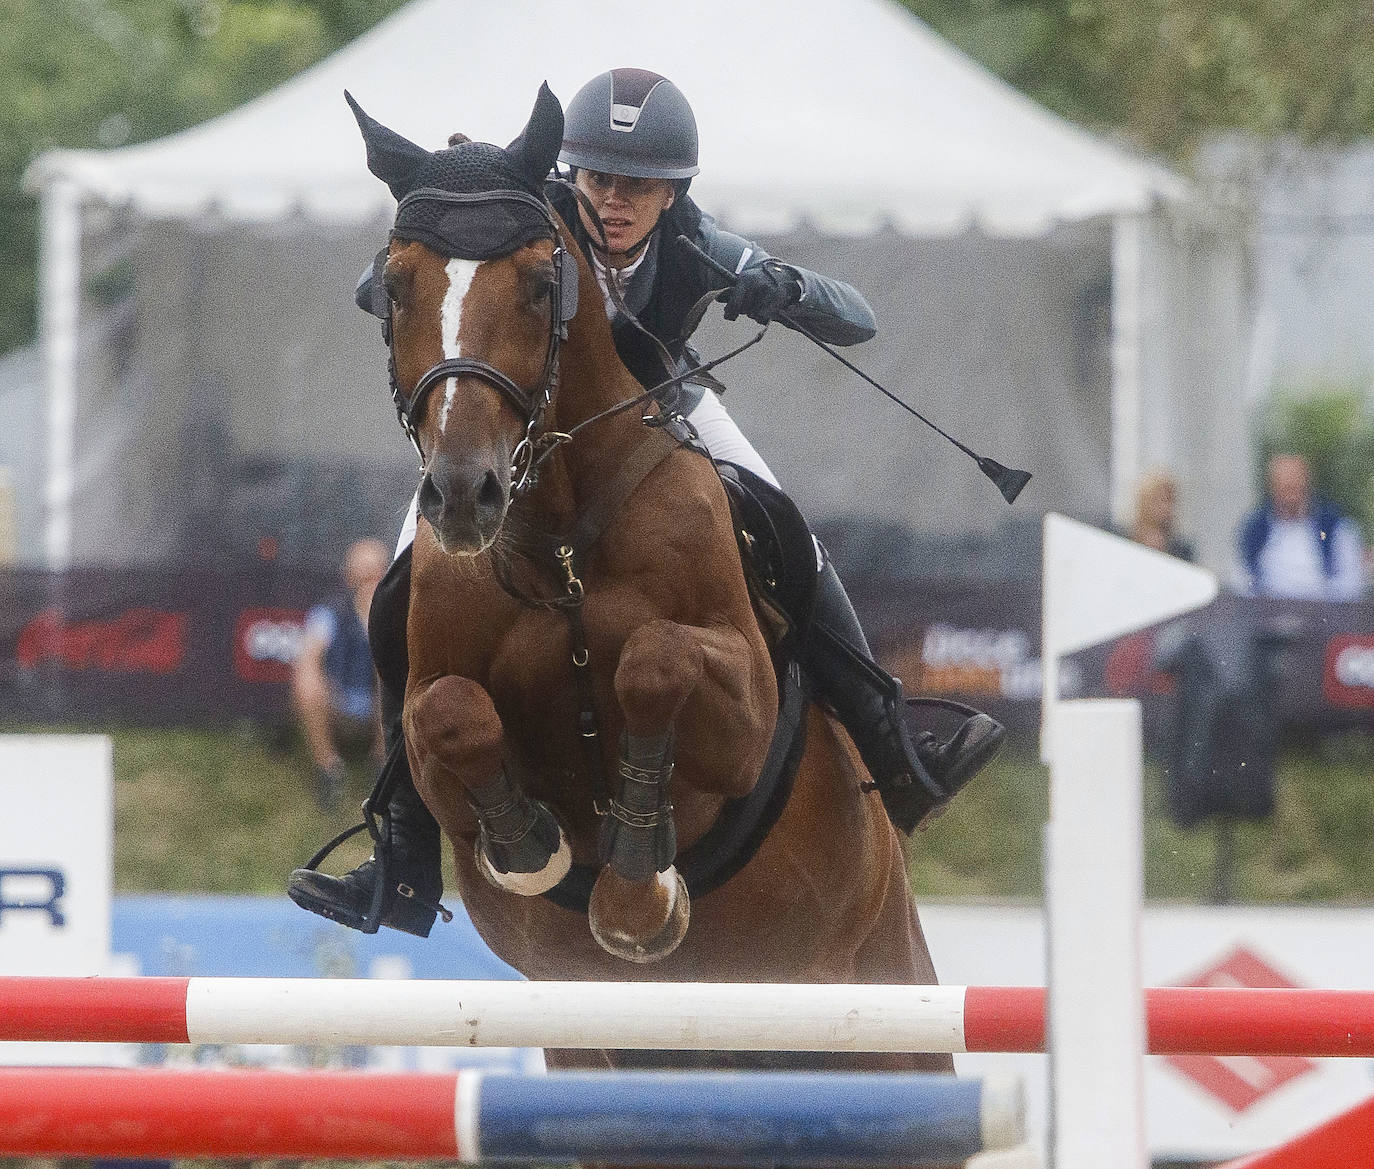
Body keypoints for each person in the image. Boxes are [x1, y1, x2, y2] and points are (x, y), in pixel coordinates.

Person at [289, 69, 1005, 937]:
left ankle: (891, 739)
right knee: (404, 578)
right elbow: (392, 286)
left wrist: (785, 287)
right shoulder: (526, 221)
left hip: (660, 419)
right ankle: (401, 841)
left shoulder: (697, 241)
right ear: (573, 176)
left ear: (674, 194)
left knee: (790, 533)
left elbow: (857, 320)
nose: (616, 202)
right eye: (599, 181)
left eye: (641, 188)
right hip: (513, 436)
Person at [292, 537, 390, 812]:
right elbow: (311, 652)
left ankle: (382, 766)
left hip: (380, 710)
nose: (370, 578)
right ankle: (328, 768)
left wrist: (376, 623)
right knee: (306, 676)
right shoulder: (330, 611)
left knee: (394, 679)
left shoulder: (397, 614)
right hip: (339, 703)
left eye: (376, 571)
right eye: (363, 571)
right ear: (349, 576)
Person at [1235, 453, 1365, 600]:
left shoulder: (1335, 528)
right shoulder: (1255, 529)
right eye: (1284, 488)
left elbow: (1350, 583)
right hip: (1269, 614)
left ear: (1307, 486)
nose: (1290, 496)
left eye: (1295, 487)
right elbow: (1242, 579)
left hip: (1323, 614)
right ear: (1271, 488)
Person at [1127, 469, 1194, 561]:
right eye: (1159, 500)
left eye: (1170, 501)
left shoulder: (1182, 551)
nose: (1165, 507)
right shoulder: (1122, 538)